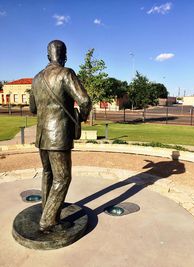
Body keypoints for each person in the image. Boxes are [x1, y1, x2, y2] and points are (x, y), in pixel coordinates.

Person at [29, 40, 91, 232]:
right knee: (62, 178)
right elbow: (85, 100)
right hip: (59, 135)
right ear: (65, 56)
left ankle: (46, 209)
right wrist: (80, 117)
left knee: (48, 173)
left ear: (48, 56)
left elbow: (32, 109)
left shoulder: (36, 78)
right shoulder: (66, 74)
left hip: (41, 136)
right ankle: (48, 220)